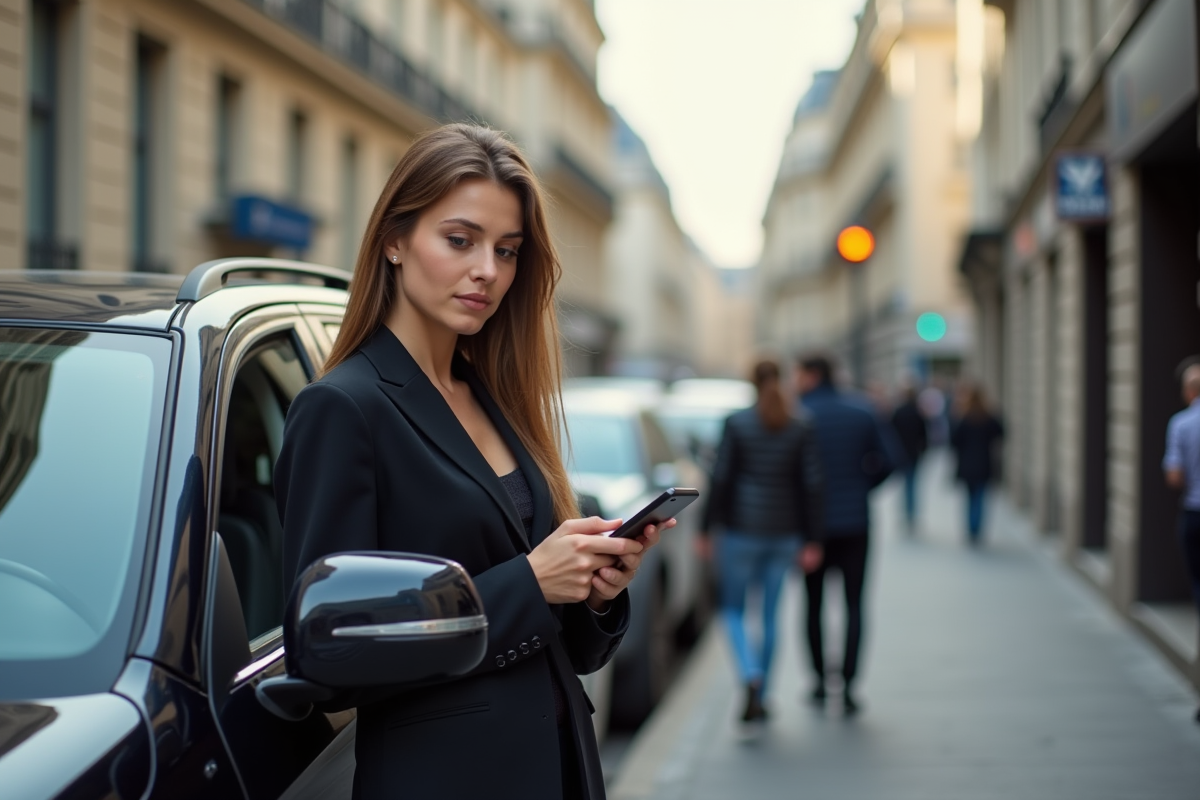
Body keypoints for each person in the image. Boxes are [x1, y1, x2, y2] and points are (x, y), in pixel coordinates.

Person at [274, 124, 666, 800]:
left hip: (559, 768)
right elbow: (326, 649)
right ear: (394, 241)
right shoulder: (343, 408)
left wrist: (595, 592)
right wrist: (530, 581)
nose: (488, 269)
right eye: (460, 240)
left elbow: (571, 650)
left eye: (507, 250)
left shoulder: (498, 399)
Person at [699, 359, 824, 723]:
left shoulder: (736, 423)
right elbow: (812, 485)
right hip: (785, 535)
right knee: (770, 616)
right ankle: (764, 692)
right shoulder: (800, 425)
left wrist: (707, 529)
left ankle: (750, 675)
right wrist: (812, 539)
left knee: (732, 611)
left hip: (742, 532)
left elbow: (720, 479)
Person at [795, 354, 894, 715]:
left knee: (813, 605)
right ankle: (850, 686)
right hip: (856, 523)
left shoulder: (800, 413)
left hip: (813, 529)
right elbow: (892, 460)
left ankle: (820, 681)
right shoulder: (862, 410)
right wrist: (861, 487)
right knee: (854, 604)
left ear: (812, 374)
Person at [949, 384, 1004, 545]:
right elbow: (1001, 433)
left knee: (969, 497)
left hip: (967, 464)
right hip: (984, 463)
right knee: (980, 497)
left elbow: (954, 441)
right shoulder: (988, 416)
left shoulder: (963, 417)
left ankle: (971, 528)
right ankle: (977, 528)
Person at [890, 385, 928, 532]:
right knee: (912, 484)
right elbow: (924, 435)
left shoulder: (899, 411)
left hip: (901, 453)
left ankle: (906, 513)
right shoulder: (918, 412)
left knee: (904, 484)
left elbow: (890, 432)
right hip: (914, 453)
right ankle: (911, 514)